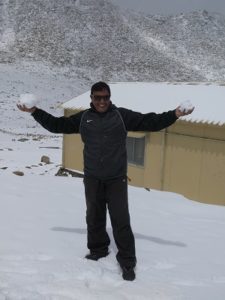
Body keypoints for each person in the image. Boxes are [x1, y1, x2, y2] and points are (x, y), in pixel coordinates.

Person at [17, 81, 194, 281]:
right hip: (92, 177)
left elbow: (150, 122)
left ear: (110, 98)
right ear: (91, 99)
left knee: (120, 220)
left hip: (116, 179)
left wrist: (175, 114)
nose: (102, 101)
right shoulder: (84, 118)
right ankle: (98, 250)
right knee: (94, 216)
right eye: (97, 97)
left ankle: (127, 262)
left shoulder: (121, 116)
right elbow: (57, 125)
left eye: (105, 97)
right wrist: (34, 111)